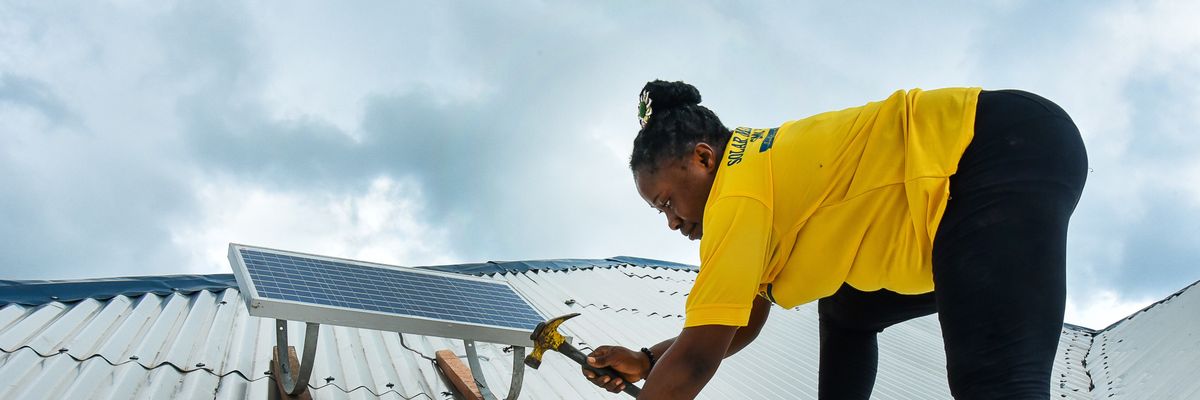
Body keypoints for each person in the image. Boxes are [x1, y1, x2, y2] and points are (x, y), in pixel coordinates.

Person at [580, 80, 1088, 399]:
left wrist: (662, 370)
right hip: (992, 169)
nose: (671, 222)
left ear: (703, 158)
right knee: (848, 310)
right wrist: (647, 359)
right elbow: (737, 325)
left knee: (994, 385)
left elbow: (697, 358)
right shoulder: (757, 184)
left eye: (667, 201)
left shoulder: (738, 197)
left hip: (989, 154)